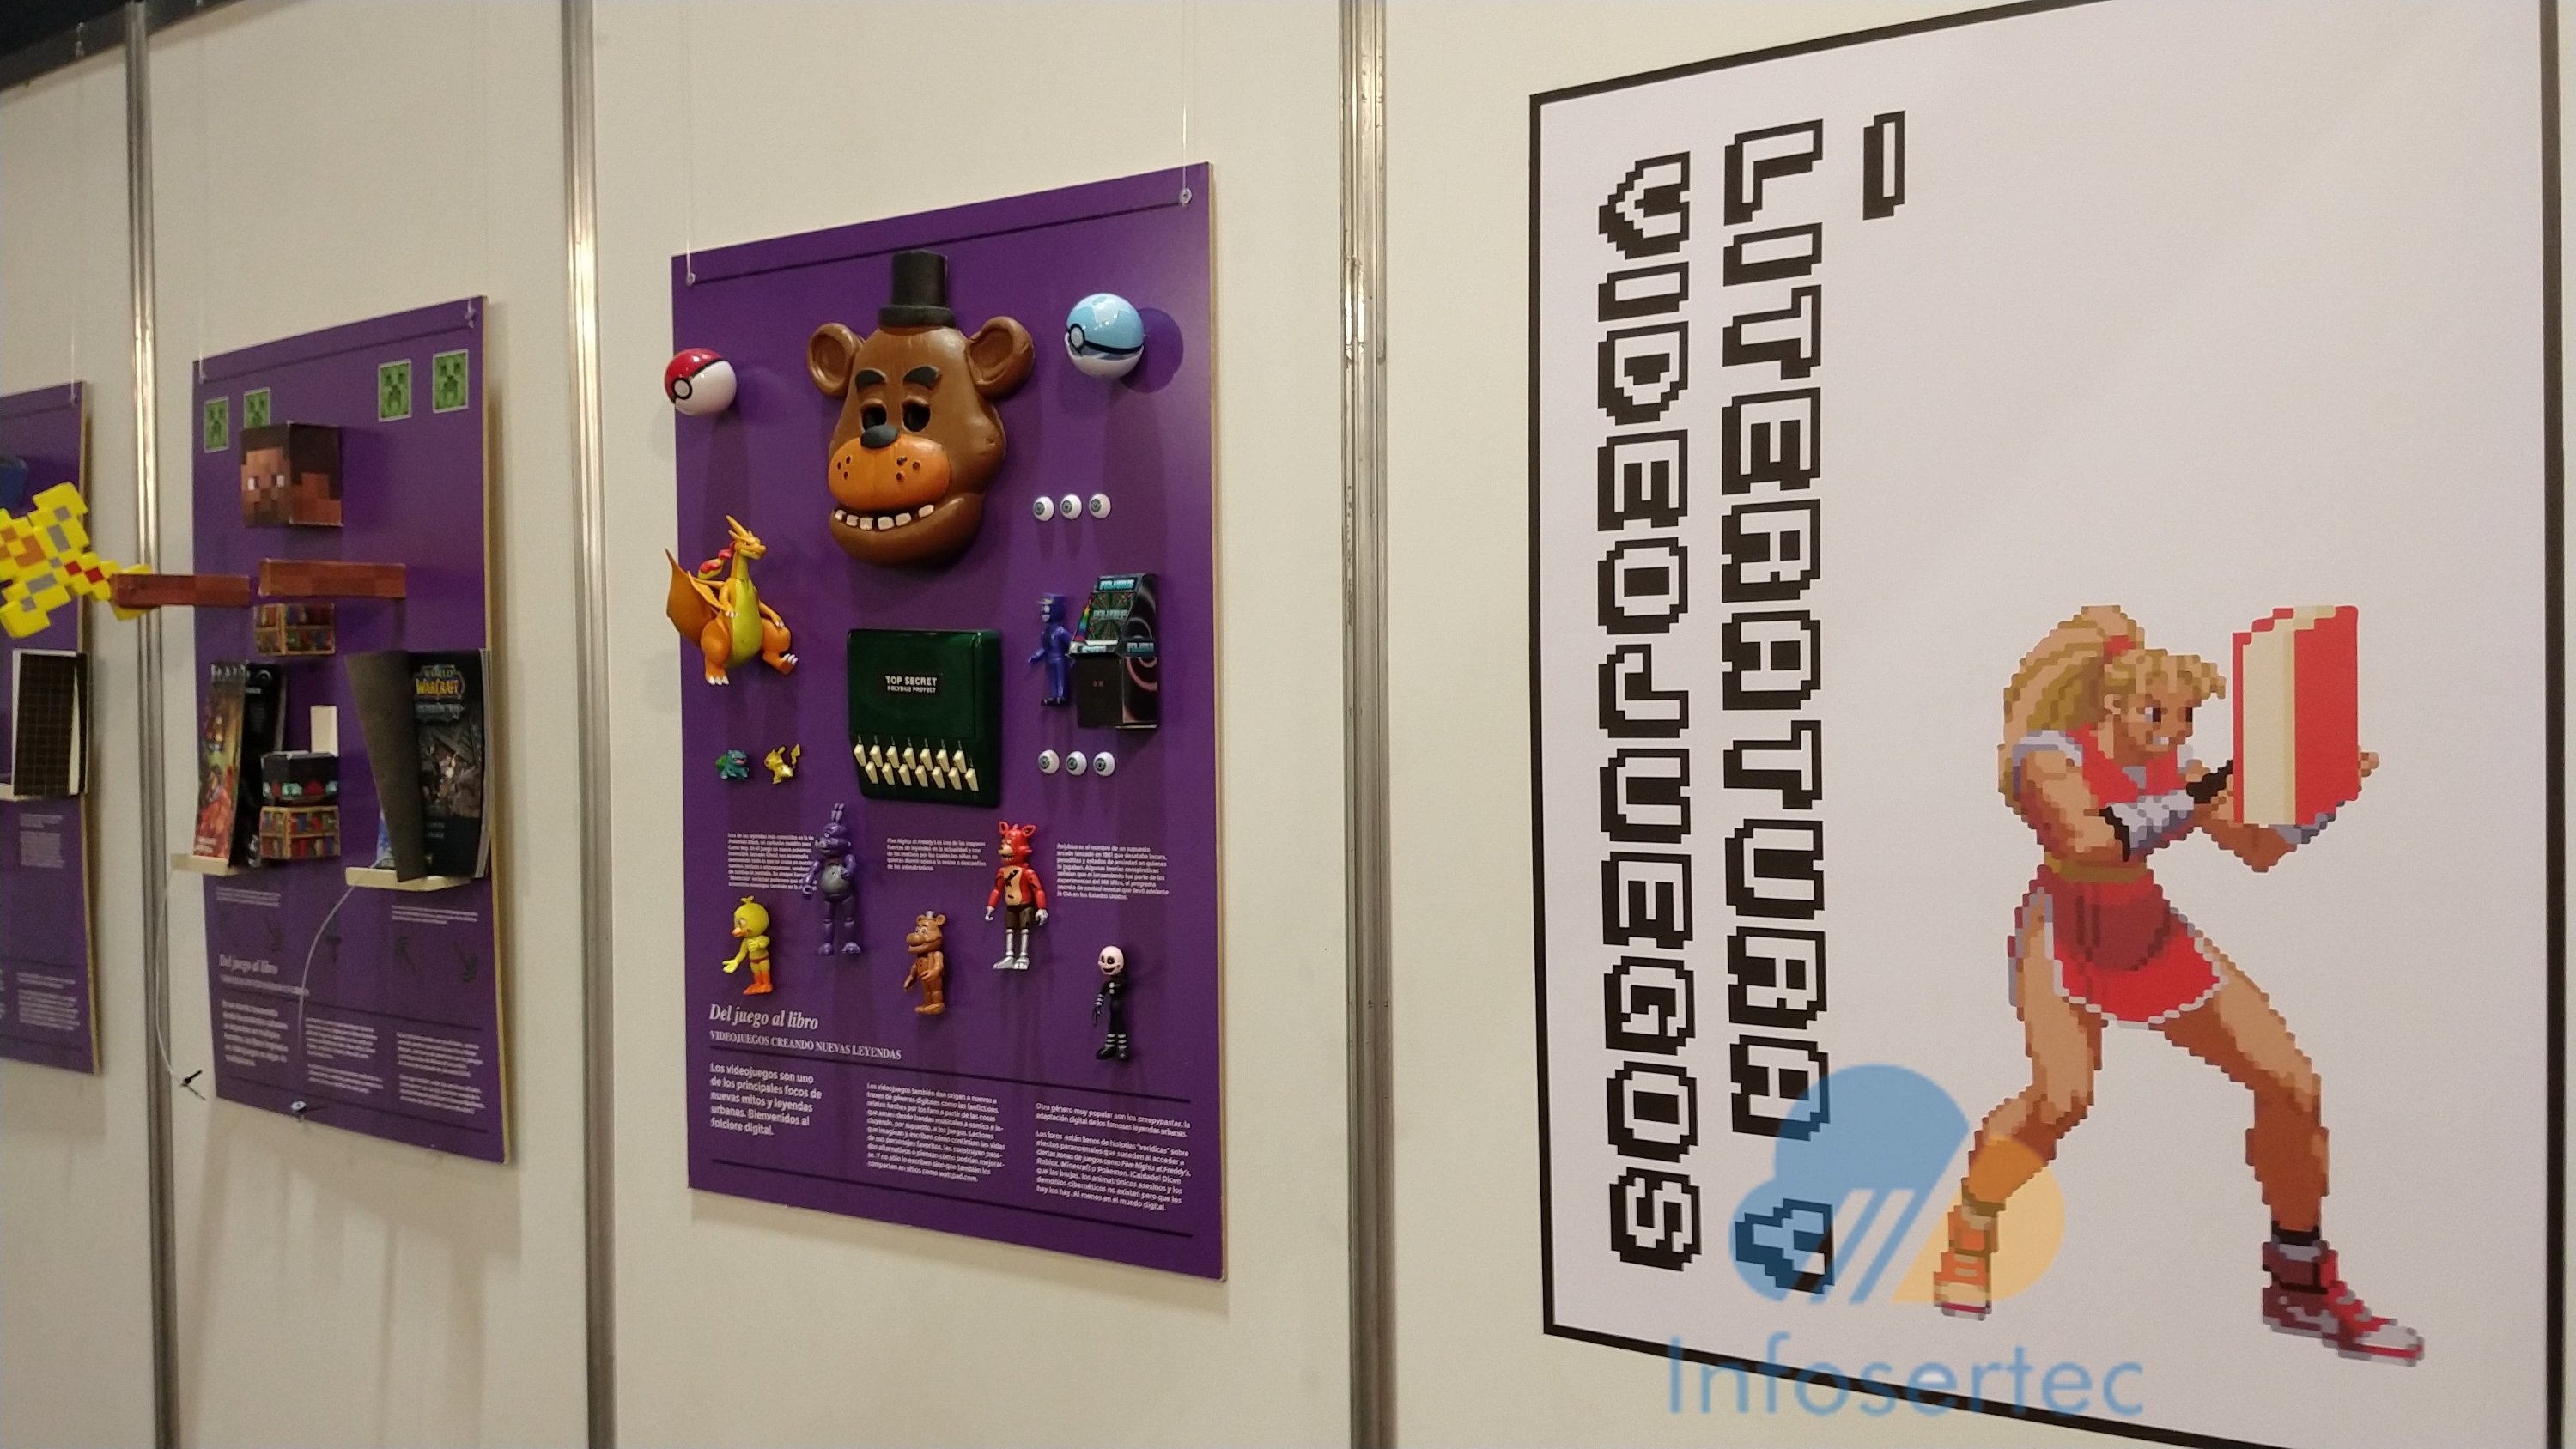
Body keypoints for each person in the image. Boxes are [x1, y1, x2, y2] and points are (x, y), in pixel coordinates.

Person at [1934, 606, 2421, 1365]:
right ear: (2113, 704)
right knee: (2062, 1100)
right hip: (2066, 931)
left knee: (2291, 1085)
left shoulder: (2184, 768)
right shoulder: (2048, 757)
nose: (2173, 732)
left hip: (2146, 927)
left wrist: (2323, 799)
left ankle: (2299, 1279)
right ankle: (1971, 1229)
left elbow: (2257, 849)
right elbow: (2091, 844)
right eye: (2156, 714)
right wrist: (2203, 794)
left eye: (2186, 717)